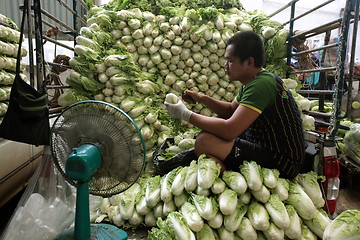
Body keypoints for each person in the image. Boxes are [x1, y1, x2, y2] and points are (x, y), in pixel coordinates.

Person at [165, 31, 305, 179]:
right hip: (265, 146)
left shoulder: (262, 84)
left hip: (282, 162)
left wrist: (185, 114)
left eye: (230, 61)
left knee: (204, 142)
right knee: (212, 130)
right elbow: (231, 110)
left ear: (249, 62)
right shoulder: (255, 80)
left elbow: (229, 130)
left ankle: (230, 181)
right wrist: (202, 98)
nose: (225, 66)